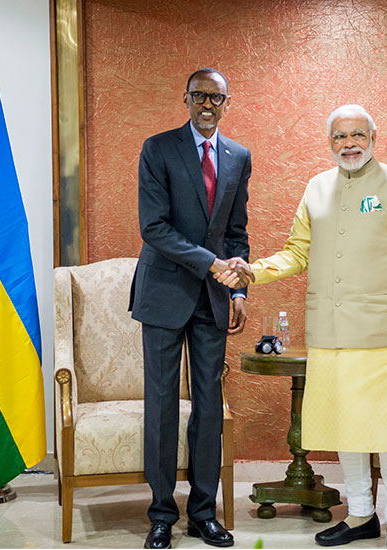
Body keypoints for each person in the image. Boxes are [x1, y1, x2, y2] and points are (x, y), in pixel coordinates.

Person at [217, 104, 387, 549]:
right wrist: (253, 272)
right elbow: (297, 253)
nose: (350, 143)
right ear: (330, 143)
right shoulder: (316, 188)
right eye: (340, 137)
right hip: (330, 333)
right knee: (347, 427)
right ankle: (361, 515)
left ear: (374, 137)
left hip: (384, 335)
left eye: (358, 134)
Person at [130, 67, 254, 549]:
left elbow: (237, 231)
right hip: (163, 294)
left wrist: (239, 288)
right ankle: (161, 514)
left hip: (214, 299)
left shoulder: (238, 156)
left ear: (227, 103)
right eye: (199, 96)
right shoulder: (157, 148)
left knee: (209, 407)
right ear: (185, 99)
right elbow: (153, 228)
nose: (207, 105)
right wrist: (212, 265)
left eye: (216, 98)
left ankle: (203, 513)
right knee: (161, 407)